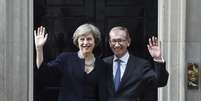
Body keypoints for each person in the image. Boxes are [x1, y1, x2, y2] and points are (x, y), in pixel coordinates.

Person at [34, 24, 107, 101]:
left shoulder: (102, 65)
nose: (85, 43)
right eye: (82, 39)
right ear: (77, 41)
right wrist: (39, 48)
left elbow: (103, 94)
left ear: (95, 41)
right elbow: (44, 72)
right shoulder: (65, 59)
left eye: (89, 39)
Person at [103, 26, 169, 101]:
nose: (117, 45)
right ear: (109, 43)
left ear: (128, 42)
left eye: (120, 40)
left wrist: (157, 58)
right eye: (114, 41)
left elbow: (160, 81)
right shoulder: (103, 64)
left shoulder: (141, 65)